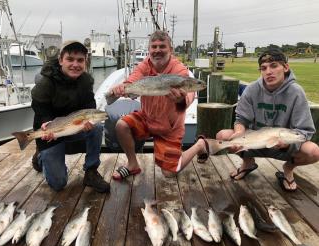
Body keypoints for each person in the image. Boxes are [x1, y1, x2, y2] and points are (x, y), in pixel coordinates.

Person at [110, 30, 209, 180]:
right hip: (147, 118)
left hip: (170, 127)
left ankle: (200, 145)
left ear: (171, 49)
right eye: (154, 47)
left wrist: (180, 100)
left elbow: (189, 96)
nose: (157, 50)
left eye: (162, 46)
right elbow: (133, 79)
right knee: (121, 126)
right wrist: (122, 88)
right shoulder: (145, 65)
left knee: (169, 173)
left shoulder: (180, 70)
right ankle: (132, 164)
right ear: (149, 50)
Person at [216, 48, 319, 191]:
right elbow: (241, 119)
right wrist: (238, 133)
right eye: (263, 68)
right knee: (223, 136)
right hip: (254, 141)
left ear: (285, 67)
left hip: (283, 146)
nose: (268, 72)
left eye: (274, 66)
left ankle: (288, 169)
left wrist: (286, 145)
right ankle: (247, 163)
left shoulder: (296, 92)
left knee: (314, 151)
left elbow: (305, 131)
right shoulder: (252, 89)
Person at [31, 40, 110, 193]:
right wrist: (45, 123)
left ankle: (91, 171)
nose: (75, 64)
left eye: (80, 60)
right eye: (70, 59)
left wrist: (89, 121)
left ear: (85, 62)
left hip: (73, 127)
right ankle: (40, 156)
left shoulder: (86, 81)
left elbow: (89, 106)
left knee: (97, 127)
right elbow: (39, 107)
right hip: (50, 133)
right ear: (61, 60)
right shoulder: (46, 82)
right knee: (58, 184)